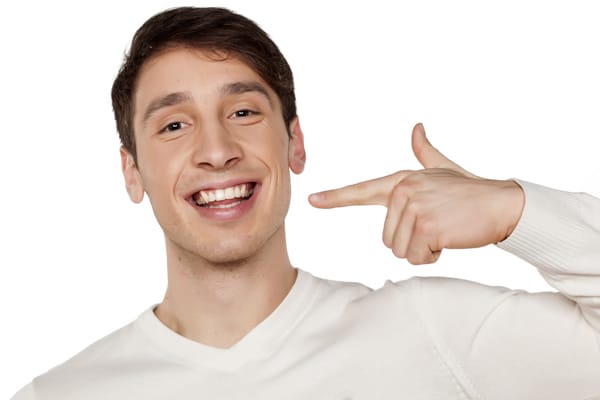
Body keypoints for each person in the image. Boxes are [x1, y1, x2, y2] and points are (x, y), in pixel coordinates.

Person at [12, 6, 600, 399]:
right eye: (173, 126)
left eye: (243, 112)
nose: (216, 150)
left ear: (294, 142)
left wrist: (513, 212)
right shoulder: (63, 394)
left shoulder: (429, 331)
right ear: (131, 171)